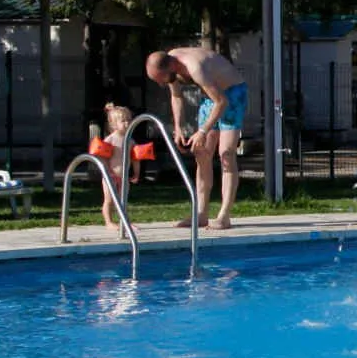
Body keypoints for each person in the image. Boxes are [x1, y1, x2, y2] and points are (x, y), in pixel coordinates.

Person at [145, 47, 248, 230]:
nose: (162, 84)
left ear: (172, 66)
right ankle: (201, 214)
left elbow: (222, 102)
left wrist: (202, 131)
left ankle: (224, 216)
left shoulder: (195, 68)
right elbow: (176, 97)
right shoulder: (171, 63)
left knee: (226, 153)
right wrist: (178, 128)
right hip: (212, 97)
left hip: (232, 93)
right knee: (201, 153)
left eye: (161, 79)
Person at [98, 104, 133, 230]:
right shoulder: (110, 140)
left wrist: (137, 173)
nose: (127, 123)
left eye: (129, 119)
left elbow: (135, 158)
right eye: (123, 121)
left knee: (123, 200)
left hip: (123, 176)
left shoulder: (130, 140)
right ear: (113, 124)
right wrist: (107, 171)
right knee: (109, 200)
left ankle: (124, 221)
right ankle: (109, 222)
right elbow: (102, 157)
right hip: (110, 175)